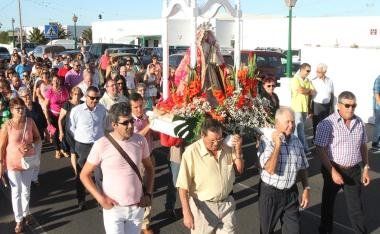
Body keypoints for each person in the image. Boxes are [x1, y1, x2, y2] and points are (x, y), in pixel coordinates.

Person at [80, 102, 154, 234]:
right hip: (114, 210)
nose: (131, 125)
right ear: (114, 125)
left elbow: (149, 168)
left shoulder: (140, 141)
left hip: (137, 207)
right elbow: (84, 174)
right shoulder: (101, 144)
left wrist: (148, 193)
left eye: (131, 121)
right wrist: (101, 199)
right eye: (125, 123)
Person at [315, 91, 370, 234]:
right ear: (339, 105)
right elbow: (320, 149)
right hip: (333, 168)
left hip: (354, 170)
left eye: (354, 106)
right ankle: (325, 231)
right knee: (328, 203)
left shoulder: (359, 123)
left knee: (356, 208)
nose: (351, 109)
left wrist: (365, 167)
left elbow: (363, 145)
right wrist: (332, 171)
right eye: (347, 105)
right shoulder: (327, 124)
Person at [176, 117, 244, 233]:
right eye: (212, 141)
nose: (216, 143)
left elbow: (240, 169)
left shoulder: (227, 146)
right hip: (202, 208)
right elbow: (182, 187)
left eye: (219, 138)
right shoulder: (191, 153)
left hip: (226, 204)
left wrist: (238, 149)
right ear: (202, 135)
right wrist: (186, 213)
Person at [257, 107, 310, 234]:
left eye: (293, 122)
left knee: (294, 230)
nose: (291, 126)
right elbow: (270, 169)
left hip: (291, 193)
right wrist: (278, 144)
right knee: (266, 230)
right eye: (287, 122)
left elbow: (303, 166)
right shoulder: (266, 141)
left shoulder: (296, 141)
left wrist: (306, 188)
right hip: (270, 194)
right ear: (277, 123)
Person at [0, 97, 41, 233]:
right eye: (18, 109)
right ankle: (18, 220)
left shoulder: (30, 122)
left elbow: (37, 137)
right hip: (12, 163)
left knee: (26, 189)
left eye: (22, 108)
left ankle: (26, 213)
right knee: (16, 191)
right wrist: (1, 164)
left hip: (27, 161)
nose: (21, 111)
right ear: (11, 110)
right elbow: (1, 146)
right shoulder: (7, 125)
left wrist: (30, 144)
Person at [70, 86, 107, 210]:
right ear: (86, 97)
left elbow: (104, 125)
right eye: (92, 98)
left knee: (100, 174)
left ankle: (101, 200)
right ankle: (81, 200)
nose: (95, 101)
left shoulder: (102, 110)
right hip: (83, 145)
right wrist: (80, 138)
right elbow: (71, 128)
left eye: (97, 98)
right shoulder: (76, 111)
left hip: (98, 145)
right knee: (82, 173)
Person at [18, 87, 48, 186]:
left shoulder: (36, 105)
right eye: (25, 96)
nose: (27, 98)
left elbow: (43, 120)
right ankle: (26, 178)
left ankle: (34, 178)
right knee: (27, 159)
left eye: (29, 95)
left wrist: (46, 133)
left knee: (37, 158)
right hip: (26, 139)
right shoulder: (20, 110)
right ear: (20, 98)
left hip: (38, 137)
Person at [291, 63, 315, 153]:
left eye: (309, 71)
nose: (308, 73)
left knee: (299, 129)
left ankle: (296, 148)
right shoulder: (295, 79)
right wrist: (308, 91)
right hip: (296, 107)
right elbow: (300, 90)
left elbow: (313, 92)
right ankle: (304, 149)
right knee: (299, 128)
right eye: (307, 71)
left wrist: (306, 91)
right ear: (301, 70)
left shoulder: (308, 81)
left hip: (305, 108)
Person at [58, 87, 83, 176]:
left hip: (81, 132)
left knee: (82, 151)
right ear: (72, 94)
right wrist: (61, 132)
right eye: (75, 94)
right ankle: (76, 170)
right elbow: (60, 119)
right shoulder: (67, 105)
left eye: (79, 94)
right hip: (70, 132)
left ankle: (82, 167)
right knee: (73, 151)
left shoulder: (83, 104)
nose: (77, 96)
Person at [43, 75, 70, 159]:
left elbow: (68, 100)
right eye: (54, 80)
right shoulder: (49, 92)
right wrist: (48, 119)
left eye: (57, 80)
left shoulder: (64, 90)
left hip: (63, 115)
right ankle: (57, 150)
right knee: (55, 133)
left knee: (64, 132)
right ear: (52, 82)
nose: (56, 82)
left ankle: (63, 149)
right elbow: (45, 106)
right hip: (53, 115)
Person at [311, 63, 334, 136]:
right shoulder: (313, 81)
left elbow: (332, 93)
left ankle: (324, 137)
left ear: (324, 72)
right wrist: (309, 108)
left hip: (327, 105)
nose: (317, 73)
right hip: (317, 105)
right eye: (316, 71)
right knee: (316, 123)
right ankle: (316, 138)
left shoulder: (329, 80)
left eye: (319, 72)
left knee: (326, 122)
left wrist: (332, 106)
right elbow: (310, 95)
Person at [372, 75, 380, 151]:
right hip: (379, 108)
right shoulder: (378, 79)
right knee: (378, 125)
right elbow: (376, 94)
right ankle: (375, 143)